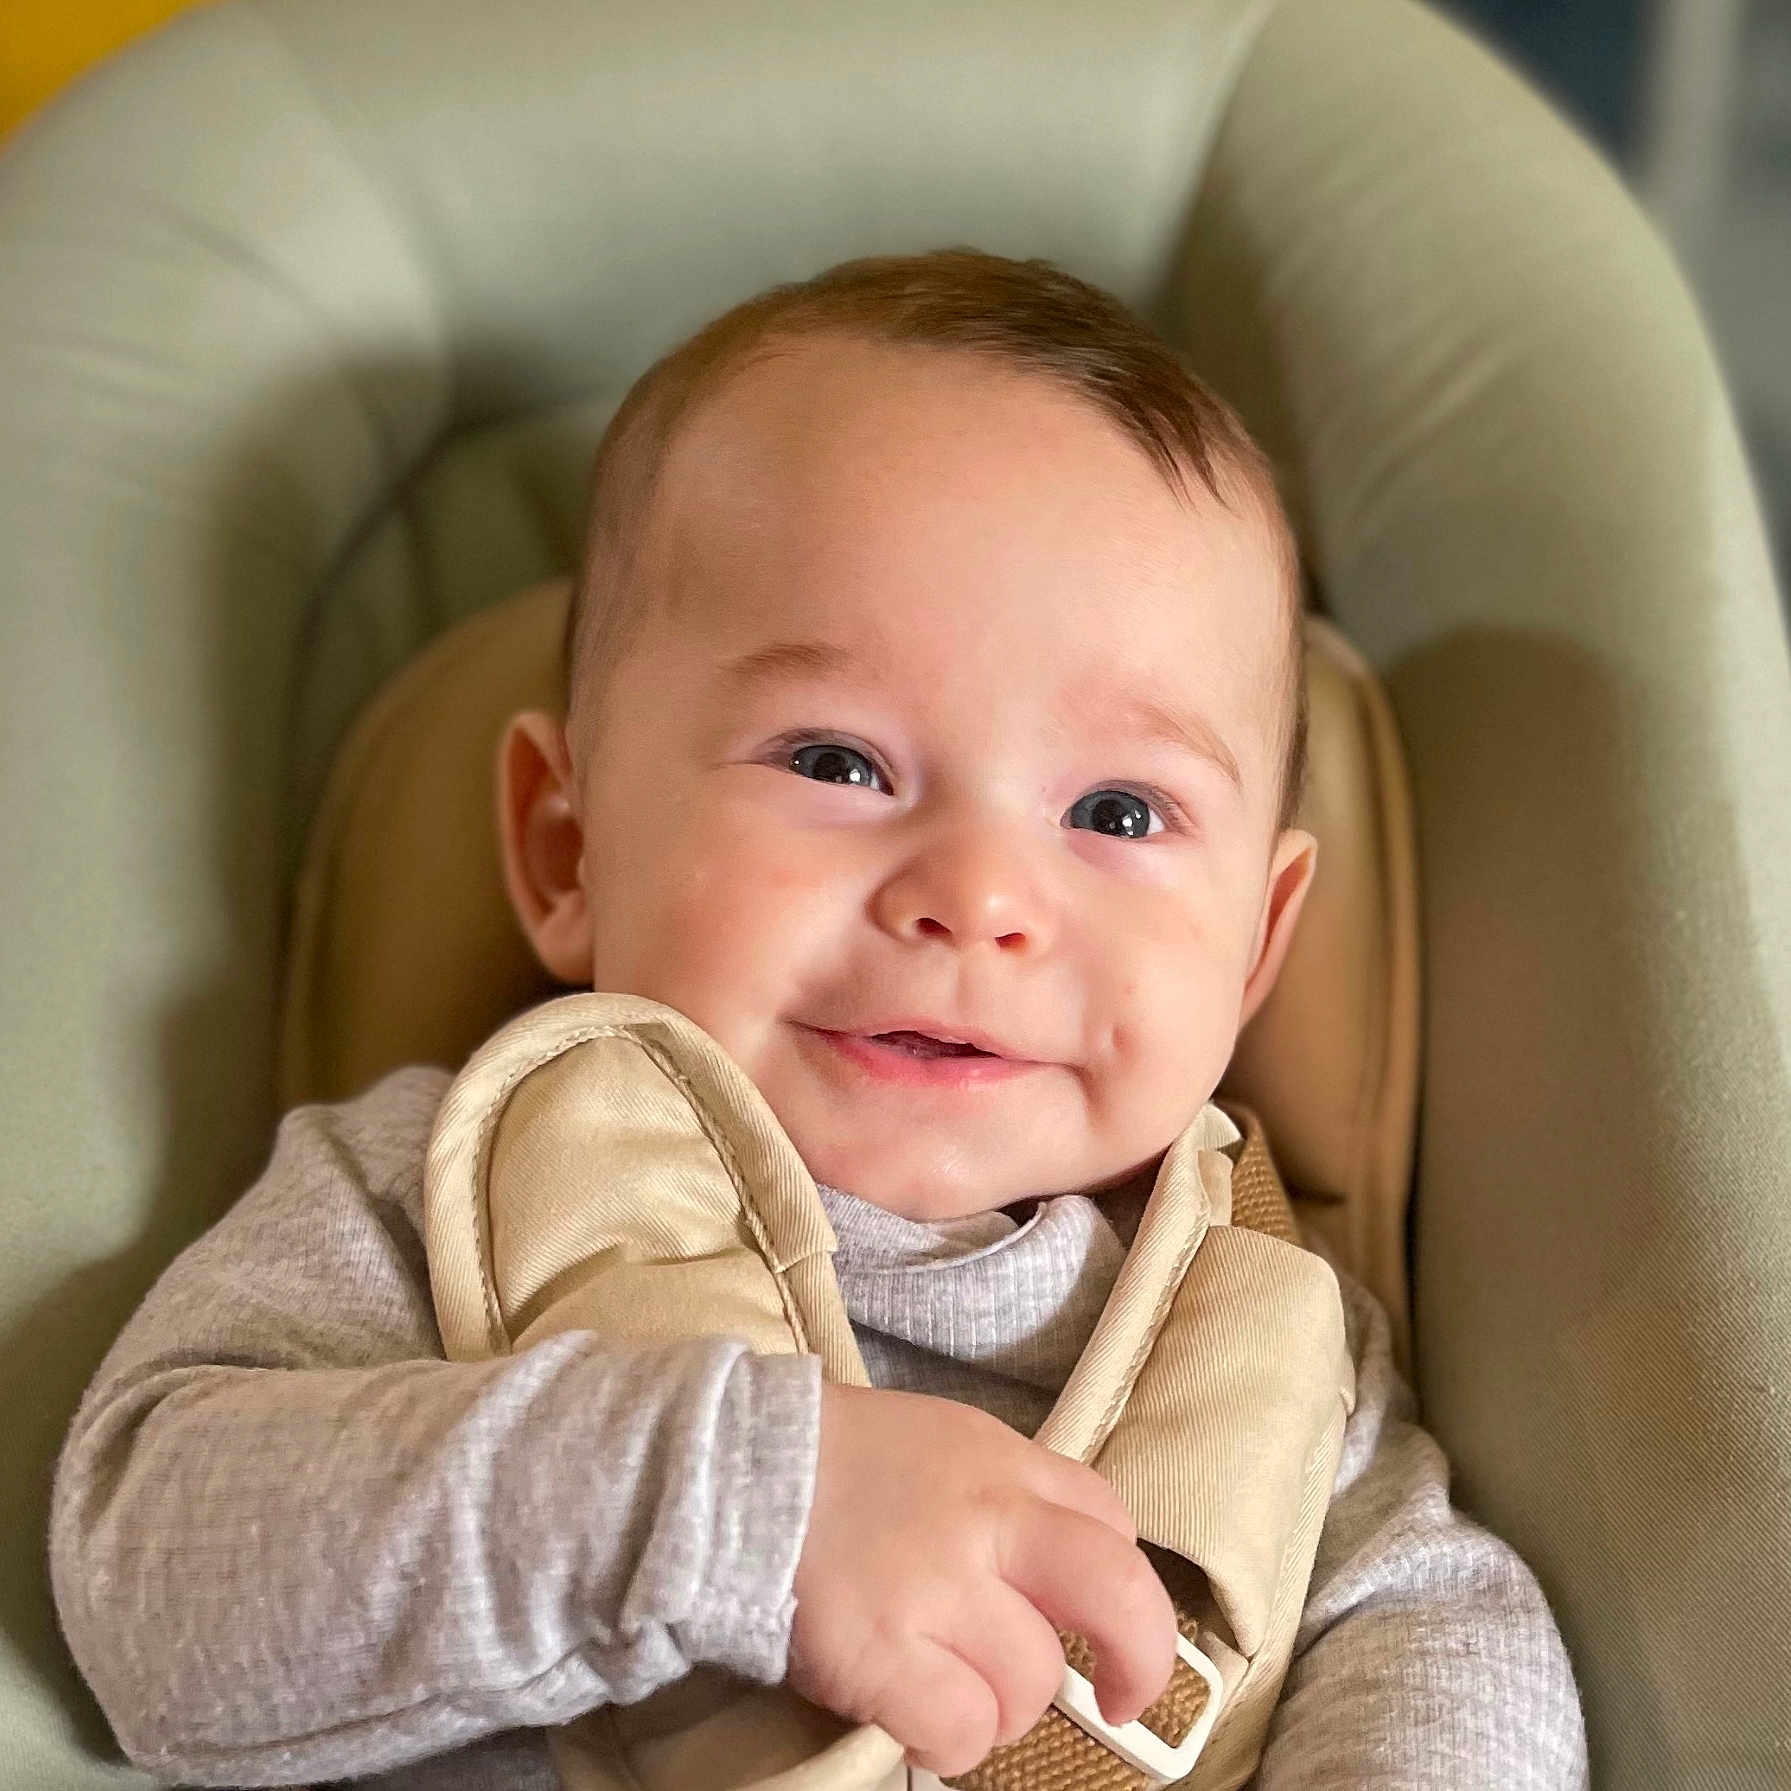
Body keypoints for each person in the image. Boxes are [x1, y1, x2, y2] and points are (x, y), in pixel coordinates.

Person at [49, 249, 1589, 1789]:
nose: (979, 895)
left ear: (1255, 946)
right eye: (838, 764)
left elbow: (1449, 1635)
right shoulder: (446, 1190)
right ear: (564, 850)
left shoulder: (1261, 1327)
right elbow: (150, 1586)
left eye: (1117, 809)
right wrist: (724, 1508)